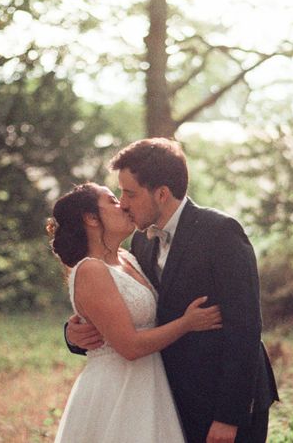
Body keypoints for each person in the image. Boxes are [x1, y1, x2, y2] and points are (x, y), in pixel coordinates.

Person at [66, 138, 279, 443]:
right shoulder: (140, 242)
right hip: (174, 401)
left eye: (130, 193)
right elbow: (132, 309)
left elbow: (245, 329)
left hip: (225, 402)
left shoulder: (220, 232)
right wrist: (73, 335)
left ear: (162, 193)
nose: (123, 203)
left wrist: (228, 417)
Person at [48, 182, 224, 443]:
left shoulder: (129, 257)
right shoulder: (90, 270)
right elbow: (129, 346)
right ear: (91, 218)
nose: (123, 205)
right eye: (112, 200)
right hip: (117, 390)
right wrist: (187, 323)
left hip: (151, 385)